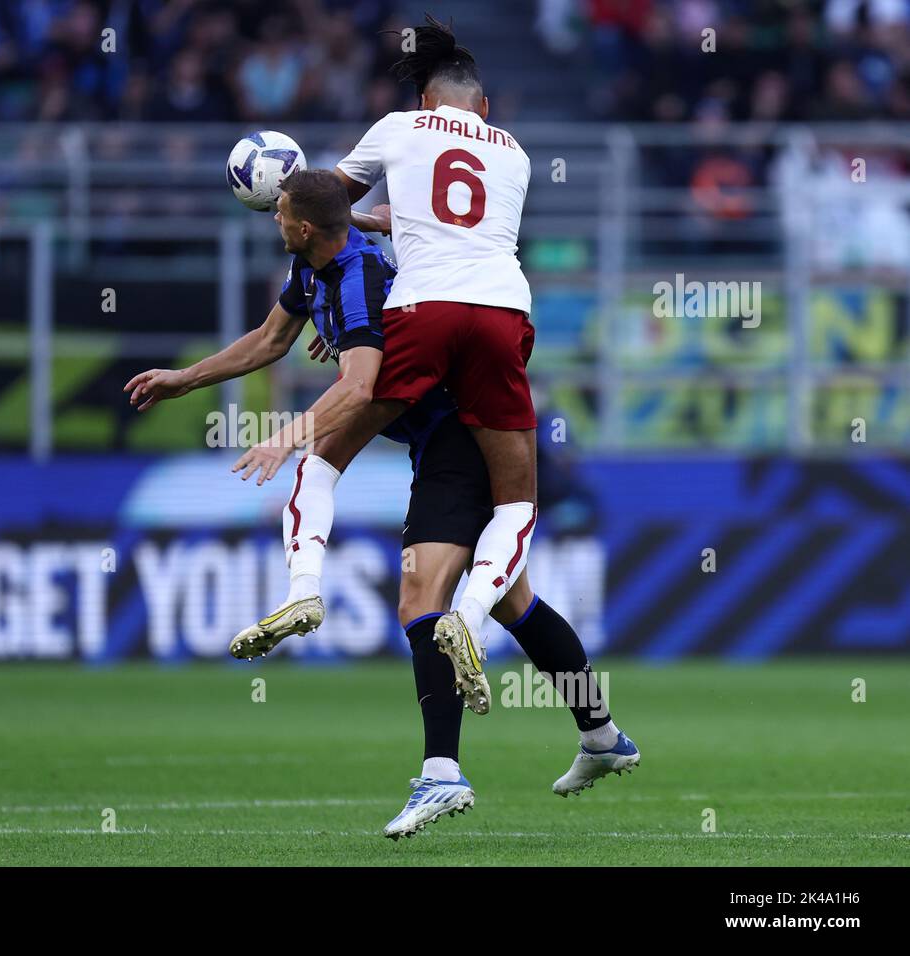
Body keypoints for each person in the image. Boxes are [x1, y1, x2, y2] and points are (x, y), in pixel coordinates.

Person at [126, 172, 638, 836]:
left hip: (457, 433)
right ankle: (601, 736)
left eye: (279, 210)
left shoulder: (360, 279)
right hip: (434, 434)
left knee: (419, 595)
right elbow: (268, 341)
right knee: (516, 601)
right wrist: (184, 379)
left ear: (304, 226)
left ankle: (442, 774)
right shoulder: (314, 269)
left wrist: (282, 436)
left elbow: (363, 385)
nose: (273, 217)